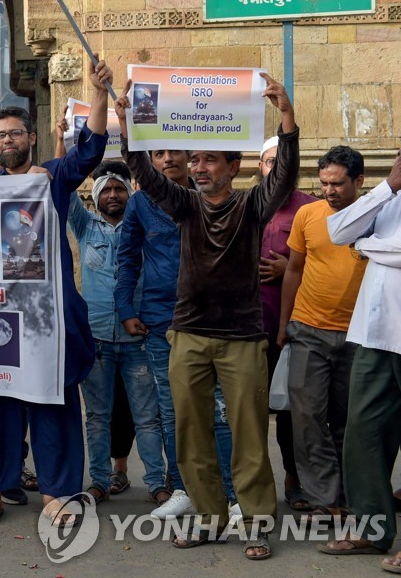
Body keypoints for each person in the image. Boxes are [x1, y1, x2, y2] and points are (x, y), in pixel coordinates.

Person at [120, 73, 298, 559]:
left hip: (242, 339)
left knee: (248, 436)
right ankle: (209, 518)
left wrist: (286, 116)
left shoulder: (253, 205)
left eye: (208, 160)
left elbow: (283, 175)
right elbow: (148, 174)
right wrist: (125, 123)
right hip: (189, 337)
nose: (197, 168)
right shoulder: (183, 206)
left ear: (234, 165)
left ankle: (256, 521)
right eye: (193, 159)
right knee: (191, 433)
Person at [0, 58, 114, 530]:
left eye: (14, 134)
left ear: (30, 138)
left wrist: (100, 92)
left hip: (47, 314)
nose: (6, 141)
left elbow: (90, 152)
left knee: (52, 402)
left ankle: (55, 492)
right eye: (0, 136)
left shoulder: (51, 178)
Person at [114, 147, 237, 519]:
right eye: (158, 153)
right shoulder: (140, 204)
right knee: (172, 411)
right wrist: (126, 309)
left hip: (211, 318)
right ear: (149, 161)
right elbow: (128, 257)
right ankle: (182, 488)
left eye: (176, 152)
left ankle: (230, 495)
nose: (168, 159)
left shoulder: (212, 197)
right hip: (159, 319)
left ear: (191, 157)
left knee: (217, 410)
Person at [318, 149, 401, 572]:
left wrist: (370, 246)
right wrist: (390, 186)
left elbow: (388, 249)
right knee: (363, 433)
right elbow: (339, 231)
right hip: (375, 336)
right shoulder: (387, 197)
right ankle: (372, 529)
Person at [68, 160, 168, 508]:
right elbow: (65, 190)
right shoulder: (84, 225)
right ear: (95, 196)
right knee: (97, 416)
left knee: (147, 417)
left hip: (138, 336)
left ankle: (156, 483)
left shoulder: (144, 225)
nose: (113, 195)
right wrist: (66, 147)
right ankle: (99, 481)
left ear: (130, 192)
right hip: (96, 338)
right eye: (106, 189)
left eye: (119, 188)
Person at [276, 145, 367, 521]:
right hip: (309, 330)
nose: (329, 191)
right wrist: (284, 325)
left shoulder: (376, 216)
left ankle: (350, 495)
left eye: (339, 184)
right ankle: (323, 500)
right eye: (324, 182)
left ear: (360, 181)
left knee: (350, 420)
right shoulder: (307, 214)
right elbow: (294, 270)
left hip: (360, 335)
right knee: (307, 416)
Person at [257, 135, 317, 511]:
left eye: (281, 160)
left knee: (292, 412)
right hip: (247, 327)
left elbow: (333, 266)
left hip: (293, 328)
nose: (275, 167)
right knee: (246, 411)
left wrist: (291, 268)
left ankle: (294, 480)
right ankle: (250, 488)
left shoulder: (312, 209)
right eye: (267, 162)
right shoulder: (245, 205)